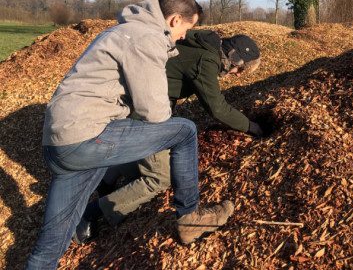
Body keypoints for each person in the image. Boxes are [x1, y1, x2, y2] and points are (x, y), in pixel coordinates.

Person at [26, 0, 235, 270]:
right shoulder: (145, 39)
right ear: (174, 20)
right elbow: (155, 113)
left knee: (51, 243)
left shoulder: (123, 31)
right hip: (88, 136)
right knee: (184, 131)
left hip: (59, 141)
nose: (186, 36)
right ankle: (190, 217)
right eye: (188, 27)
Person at [73, 29, 265, 244]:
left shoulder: (199, 46)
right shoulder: (206, 61)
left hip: (134, 104)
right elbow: (217, 108)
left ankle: (108, 178)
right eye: (240, 68)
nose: (238, 74)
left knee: (153, 153)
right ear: (233, 57)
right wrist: (252, 128)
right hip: (144, 113)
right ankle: (89, 214)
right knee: (161, 177)